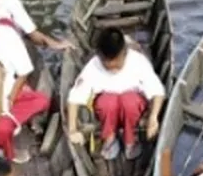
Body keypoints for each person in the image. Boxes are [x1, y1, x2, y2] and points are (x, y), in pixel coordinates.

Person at [66, 28, 167, 161]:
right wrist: (72, 130)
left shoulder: (138, 62)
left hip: (133, 108)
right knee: (108, 101)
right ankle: (110, 138)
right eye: (108, 66)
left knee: (128, 101)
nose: (113, 69)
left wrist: (153, 118)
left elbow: (157, 92)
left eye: (117, 65)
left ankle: (130, 140)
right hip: (107, 110)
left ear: (124, 53)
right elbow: (74, 98)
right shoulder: (94, 66)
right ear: (101, 57)